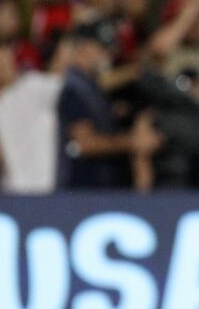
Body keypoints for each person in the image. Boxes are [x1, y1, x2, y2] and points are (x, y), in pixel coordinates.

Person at [56, 21, 163, 190]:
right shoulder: (72, 88)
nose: (106, 55)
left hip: (98, 189)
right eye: (100, 48)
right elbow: (82, 143)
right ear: (82, 47)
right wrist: (132, 141)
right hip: (81, 192)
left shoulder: (91, 86)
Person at [0, 39, 67, 194]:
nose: (10, 66)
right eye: (1, 63)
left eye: (10, 60)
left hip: (45, 189)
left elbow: (77, 88)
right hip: (8, 191)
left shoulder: (33, 86)